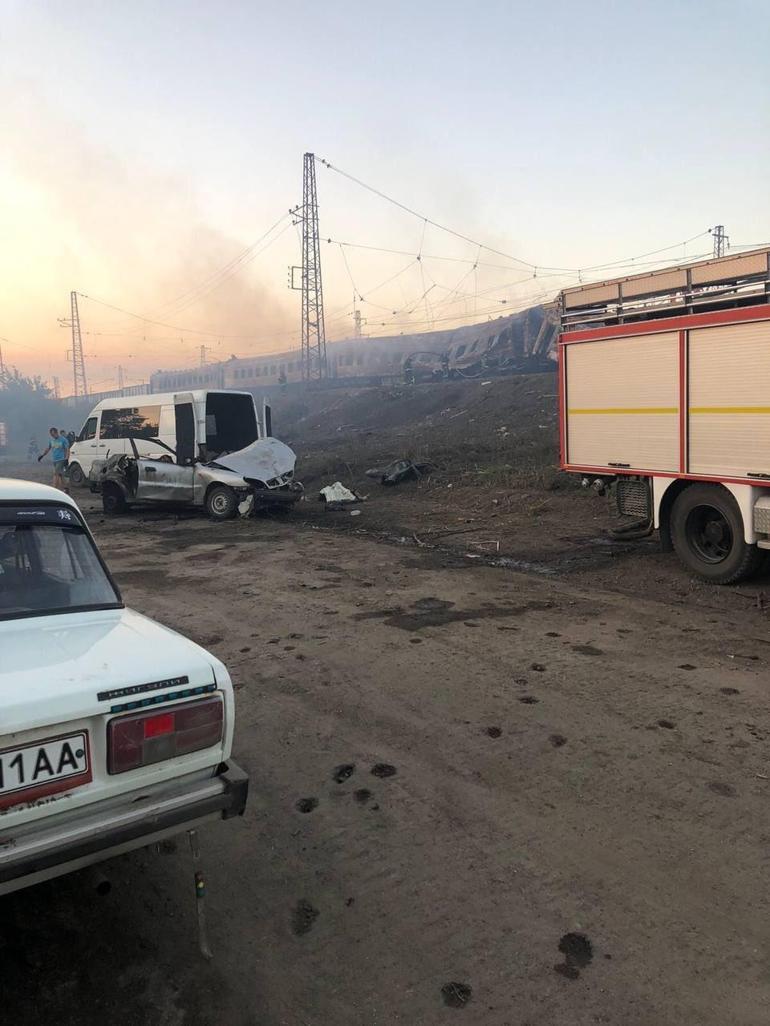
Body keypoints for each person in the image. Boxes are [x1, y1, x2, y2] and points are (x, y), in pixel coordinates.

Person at [37, 427, 70, 493]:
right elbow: (48, 448)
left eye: (53, 434)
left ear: (56, 432)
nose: (52, 436)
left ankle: (54, 490)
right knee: (60, 475)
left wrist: (66, 458)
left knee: (55, 474)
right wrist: (42, 455)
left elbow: (67, 449)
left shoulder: (63, 440)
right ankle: (65, 488)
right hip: (55, 460)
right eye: (51, 435)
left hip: (61, 460)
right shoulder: (52, 441)